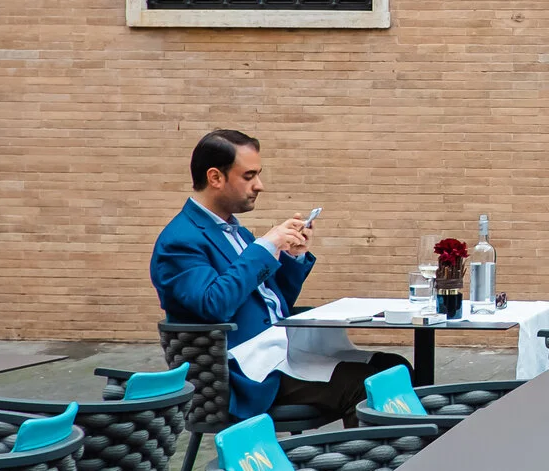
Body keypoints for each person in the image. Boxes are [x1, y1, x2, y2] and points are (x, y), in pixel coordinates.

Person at [150, 129, 405, 420]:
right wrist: (265, 247)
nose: (260, 185)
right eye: (249, 176)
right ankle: (375, 463)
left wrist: (291, 256)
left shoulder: (236, 232)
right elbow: (213, 306)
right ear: (215, 178)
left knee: (394, 367)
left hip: (283, 351)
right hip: (244, 373)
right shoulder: (180, 240)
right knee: (365, 388)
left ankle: (406, 455)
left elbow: (274, 303)